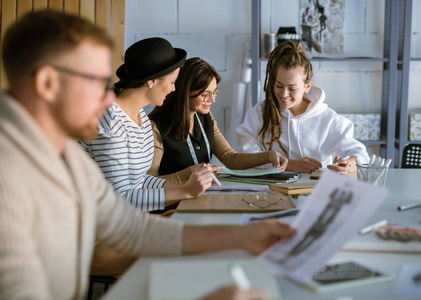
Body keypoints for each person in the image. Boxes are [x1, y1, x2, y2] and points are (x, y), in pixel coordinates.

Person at [0, 10, 296, 300]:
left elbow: (129, 227)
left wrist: (244, 237)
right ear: (47, 83)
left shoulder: (66, 156)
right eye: (95, 83)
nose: (109, 98)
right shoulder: (8, 176)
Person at [79, 38, 215, 212]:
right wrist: (186, 191)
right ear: (152, 81)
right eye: (172, 82)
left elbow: (140, 180)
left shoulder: (140, 115)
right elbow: (120, 200)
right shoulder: (110, 122)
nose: (174, 89)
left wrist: (191, 189)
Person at [237, 41, 370, 174]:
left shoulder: (328, 120)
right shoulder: (259, 113)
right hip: (270, 191)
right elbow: (245, 155)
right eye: (279, 86)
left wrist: (349, 164)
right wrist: (290, 165)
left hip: (313, 191)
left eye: (292, 88)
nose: (284, 94)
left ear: (307, 86)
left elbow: (362, 156)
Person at [148, 57, 288, 183]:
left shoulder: (205, 118)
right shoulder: (156, 127)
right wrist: (190, 173)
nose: (212, 99)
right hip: (173, 205)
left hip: (199, 196)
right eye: (205, 94)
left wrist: (269, 155)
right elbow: (150, 182)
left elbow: (230, 158)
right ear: (185, 92)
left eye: (215, 92)